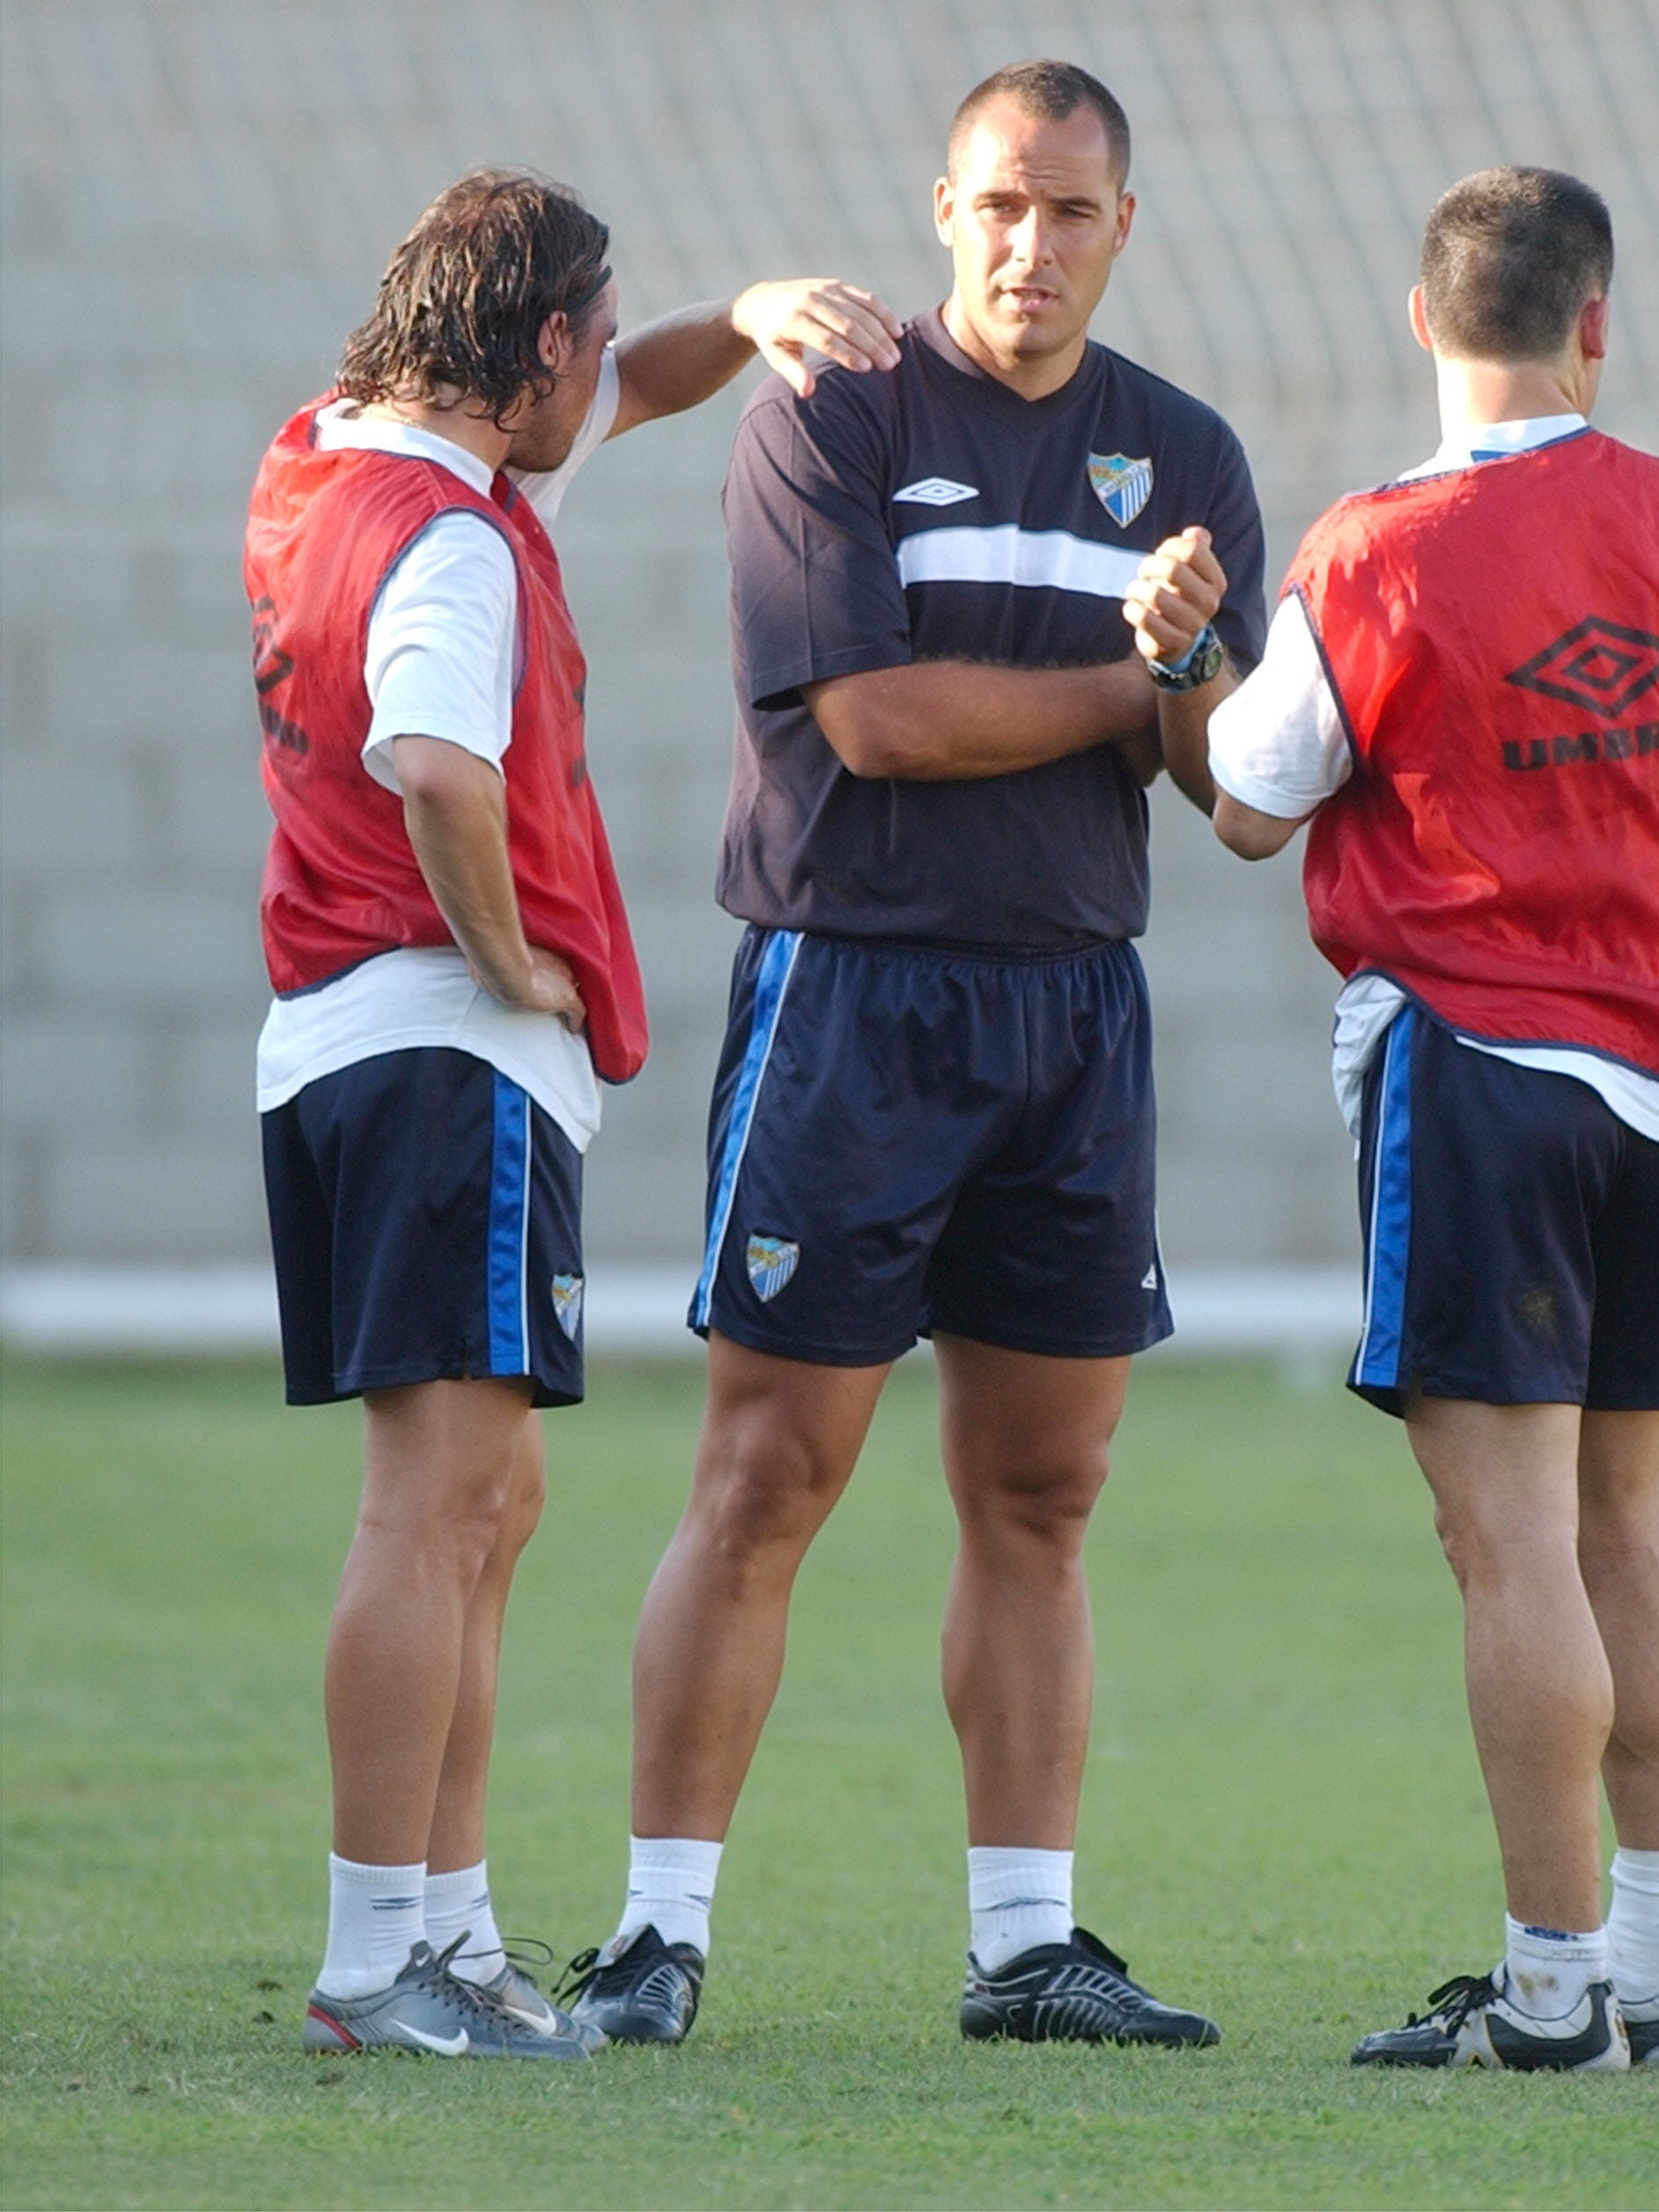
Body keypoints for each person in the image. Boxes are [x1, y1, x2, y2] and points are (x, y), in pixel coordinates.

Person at [559, 62, 1265, 2049]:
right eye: (996, 208)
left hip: (1069, 1006)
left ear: (1123, 227)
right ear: (938, 209)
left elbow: (1231, 798)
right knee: (768, 1468)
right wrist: (1122, 681)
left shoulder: (1184, 453)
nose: (1028, 249)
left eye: (1067, 214)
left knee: (1042, 1492)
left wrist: (1197, 668)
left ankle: (1025, 1946)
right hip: (851, 993)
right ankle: (655, 1933)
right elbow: (871, 722)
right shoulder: (830, 416)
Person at [1179, 166, 1659, 2071]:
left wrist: (1183, 659)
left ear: (1418, 322)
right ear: (1596, 320)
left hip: (1479, 1071)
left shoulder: (1369, 546)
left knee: (1504, 1546)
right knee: (1627, 1533)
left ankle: (1549, 1987)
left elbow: (1250, 806)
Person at [245, 167, 901, 2059]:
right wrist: (514, 957)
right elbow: (439, 767)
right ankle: (377, 1953)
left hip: (352, 1043)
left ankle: (445, 1931)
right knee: (432, 1500)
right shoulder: (448, 534)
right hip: (440, 1045)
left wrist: (747, 313)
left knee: (487, 1501)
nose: (611, 371)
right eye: (594, 340)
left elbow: (642, 385)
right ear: (530, 346)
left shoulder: (332, 450)